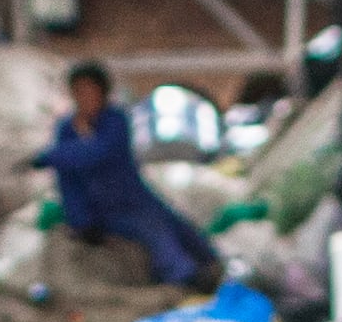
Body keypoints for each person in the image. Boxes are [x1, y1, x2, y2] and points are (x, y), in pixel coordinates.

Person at [34, 57, 216, 291]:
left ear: (104, 93)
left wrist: (49, 156)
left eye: (91, 91)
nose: (85, 98)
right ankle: (183, 278)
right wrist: (81, 221)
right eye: (79, 91)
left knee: (179, 229)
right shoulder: (67, 130)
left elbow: (97, 152)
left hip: (132, 200)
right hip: (103, 210)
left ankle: (210, 267)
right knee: (155, 235)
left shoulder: (115, 121)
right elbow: (69, 182)